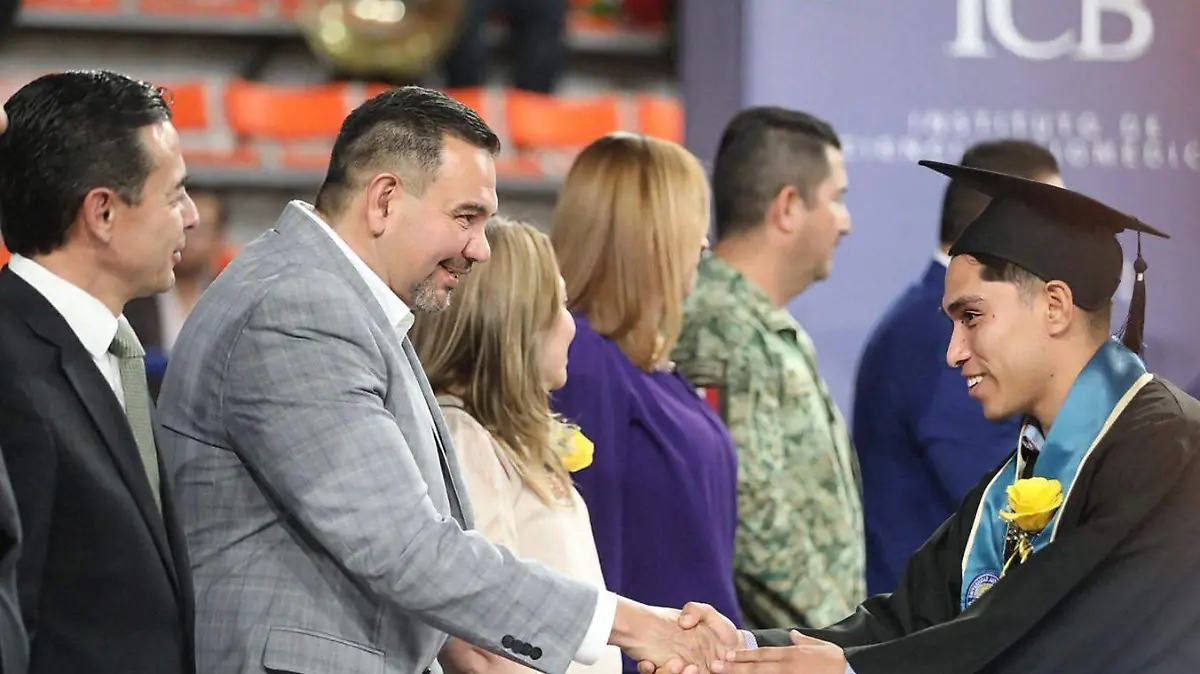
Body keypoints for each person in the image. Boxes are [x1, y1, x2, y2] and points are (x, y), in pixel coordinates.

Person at [155, 86, 735, 674]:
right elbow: (404, 546)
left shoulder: (343, 304)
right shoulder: (298, 308)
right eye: (465, 218)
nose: (481, 249)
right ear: (384, 200)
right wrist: (632, 626)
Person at [658, 161, 1200, 674]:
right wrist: (742, 651)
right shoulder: (1018, 474)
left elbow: (1053, 638)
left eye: (972, 317)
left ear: (1054, 306)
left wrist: (852, 669)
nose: (953, 352)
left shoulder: (1171, 451)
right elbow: (905, 620)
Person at [0, 70, 199, 673]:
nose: (191, 216)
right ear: (103, 212)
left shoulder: (117, 350)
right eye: (174, 194)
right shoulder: (9, 365)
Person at [548, 132, 744, 674]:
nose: (704, 244)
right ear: (648, 237)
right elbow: (587, 554)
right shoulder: (582, 362)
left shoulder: (649, 366)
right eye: (692, 223)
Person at [671, 107, 863, 630]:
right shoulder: (722, 327)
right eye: (837, 198)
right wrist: (837, 637)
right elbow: (748, 516)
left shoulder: (753, 323)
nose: (845, 221)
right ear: (788, 207)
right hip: (772, 648)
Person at [411, 216, 623, 674]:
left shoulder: (497, 442)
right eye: (559, 304)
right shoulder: (464, 439)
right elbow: (482, 646)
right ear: (516, 323)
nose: (571, 325)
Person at [852, 140, 1063, 596]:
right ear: (1008, 228)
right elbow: (1005, 498)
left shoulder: (928, 316)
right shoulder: (941, 332)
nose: (1066, 244)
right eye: (1056, 224)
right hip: (929, 621)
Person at [125, 188, 228, 399]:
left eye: (201, 229)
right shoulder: (134, 297)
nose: (189, 239)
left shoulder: (229, 302)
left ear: (218, 238)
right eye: (184, 227)